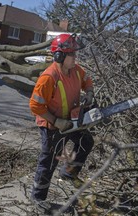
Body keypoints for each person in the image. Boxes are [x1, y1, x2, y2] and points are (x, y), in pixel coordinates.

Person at [29, 33, 95, 214]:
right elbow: (35, 105)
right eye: (72, 54)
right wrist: (56, 121)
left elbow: (87, 80)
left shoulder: (76, 70)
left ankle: (68, 172)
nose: (75, 57)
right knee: (49, 161)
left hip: (71, 120)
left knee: (86, 141)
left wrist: (89, 93)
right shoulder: (49, 77)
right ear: (60, 56)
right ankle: (37, 197)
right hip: (52, 124)